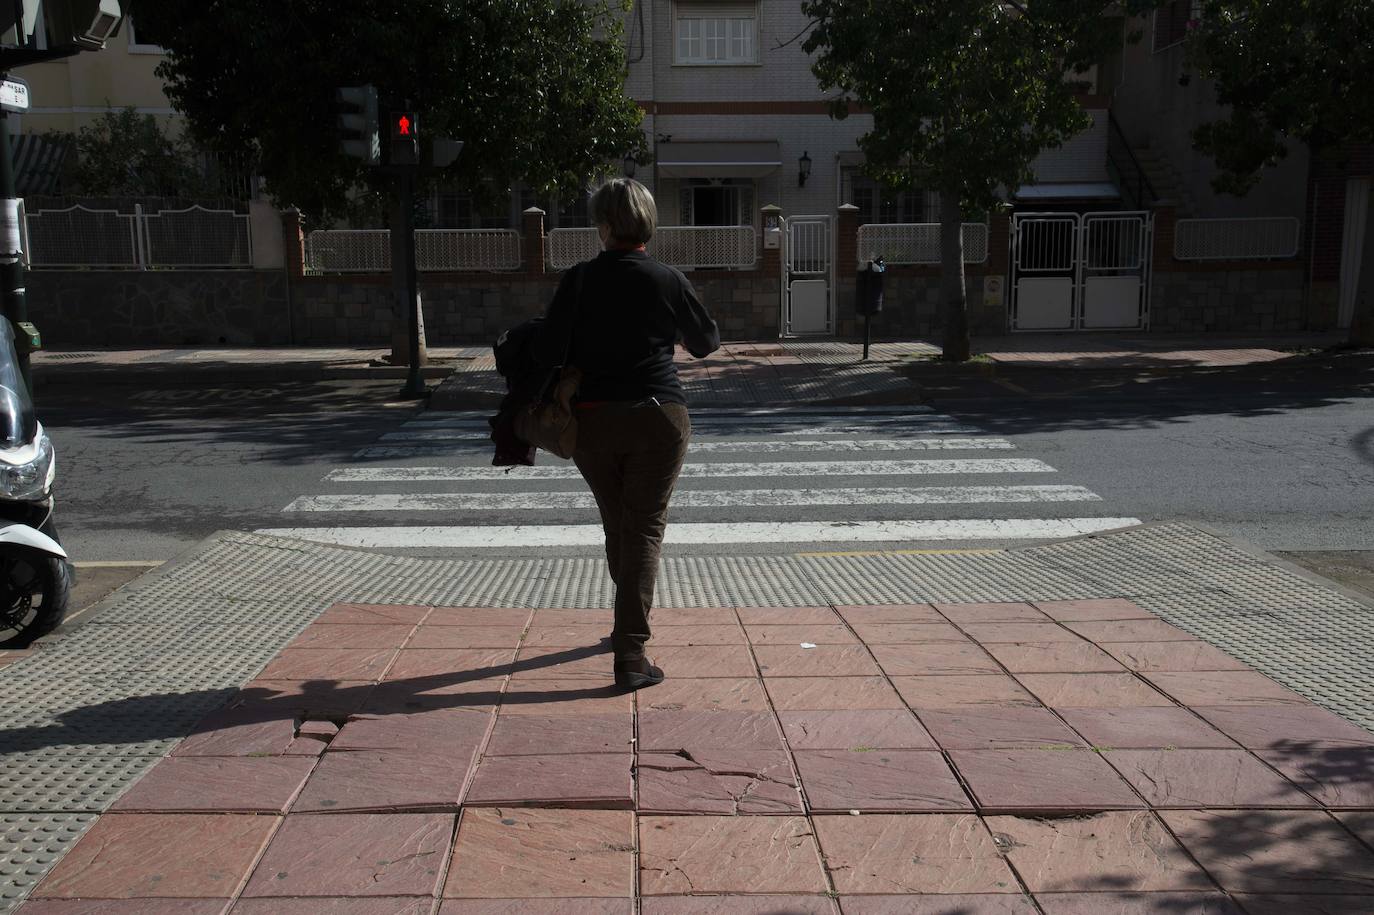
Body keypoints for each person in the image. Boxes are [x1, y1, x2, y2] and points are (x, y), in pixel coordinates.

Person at [535, 178, 720, 690]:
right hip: (657, 416)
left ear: (605, 225)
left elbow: (549, 348)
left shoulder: (577, 280)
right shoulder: (666, 279)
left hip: (591, 420)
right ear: (646, 223)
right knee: (641, 528)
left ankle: (626, 629)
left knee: (619, 523)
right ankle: (631, 656)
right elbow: (706, 342)